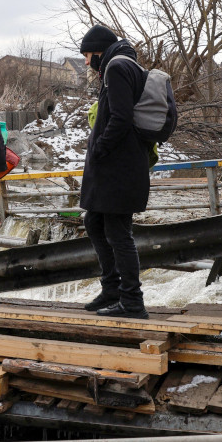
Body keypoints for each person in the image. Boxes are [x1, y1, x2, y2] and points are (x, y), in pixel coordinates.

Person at [76, 25, 151, 319]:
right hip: (119, 164)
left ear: (99, 50)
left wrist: (100, 149)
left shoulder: (117, 67)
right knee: (94, 222)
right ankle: (112, 289)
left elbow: (120, 117)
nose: (85, 62)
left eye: (86, 55)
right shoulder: (121, 64)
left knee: (119, 233)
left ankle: (132, 301)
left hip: (119, 166)